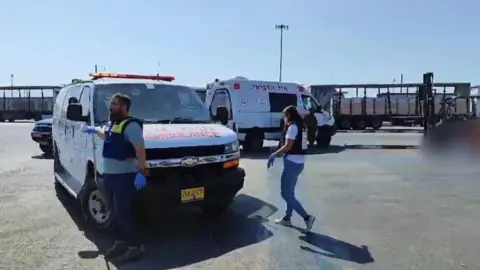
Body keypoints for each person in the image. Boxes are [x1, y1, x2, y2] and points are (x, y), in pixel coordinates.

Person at [81, 92, 147, 262]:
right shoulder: (114, 124)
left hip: (124, 177)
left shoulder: (131, 126)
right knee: (114, 213)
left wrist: (141, 173)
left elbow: (140, 151)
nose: (112, 106)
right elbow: (107, 135)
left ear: (125, 107)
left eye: (116, 104)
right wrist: (93, 130)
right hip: (110, 176)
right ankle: (120, 242)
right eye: (111, 103)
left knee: (122, 213)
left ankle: (135, 246)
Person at [267, 105, 316, 231]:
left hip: (292, 163)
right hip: (299, 162)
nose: (284, 119)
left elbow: (288, 146)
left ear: (289, 116)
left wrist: (274, 154)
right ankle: (287, 218)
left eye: (284, 116)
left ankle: (306, 217)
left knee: (285, 193)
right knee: (290, 193)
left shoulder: (293, 127)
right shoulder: (301, 126)